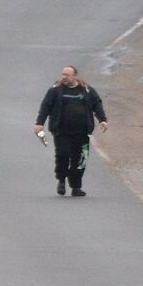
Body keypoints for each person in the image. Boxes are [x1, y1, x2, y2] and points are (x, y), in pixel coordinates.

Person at [34, 65, 107, 197]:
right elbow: (45, 106)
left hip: (83, 132)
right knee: (63, 155)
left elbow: (97, 104)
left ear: (75, 76)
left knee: (81, 159)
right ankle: (61, 179)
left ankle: (76, 187)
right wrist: (39, 123)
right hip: (62, 132)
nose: (64, 77)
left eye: (67, 75)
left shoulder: (86, 90)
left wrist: (102, 120)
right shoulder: (55, 90)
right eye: (63, 74)